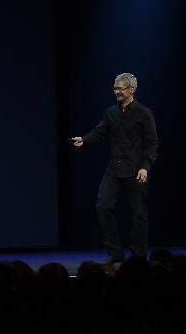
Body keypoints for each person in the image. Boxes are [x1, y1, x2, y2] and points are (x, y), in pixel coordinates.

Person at [72, 73, 158, 265]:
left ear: (131, 90)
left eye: (120, 88)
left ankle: (138, 257)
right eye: (115, 88)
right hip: (114, 170)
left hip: (136, 170)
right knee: (102, 206)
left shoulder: (144, 113)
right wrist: (84, 140)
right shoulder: (111, 112)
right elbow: (100, 132)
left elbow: (152, 143)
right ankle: (115, 253)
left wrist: (145, 167)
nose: (116, 92)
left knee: (138, 214)